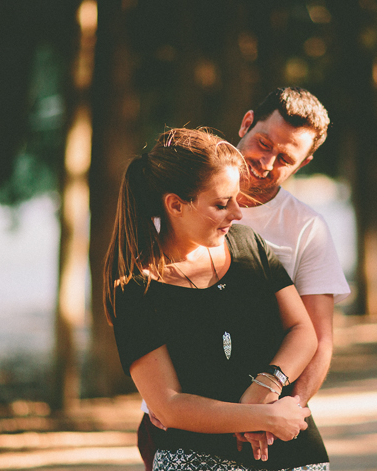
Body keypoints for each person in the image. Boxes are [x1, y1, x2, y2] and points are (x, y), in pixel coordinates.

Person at [137, 88, 350, 467]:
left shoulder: (307, 229)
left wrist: (278, 413)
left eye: (285, 158)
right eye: (263, 143)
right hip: (181, 427)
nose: (266, 163)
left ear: (305, 162)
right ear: (246, 123)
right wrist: (161, 402)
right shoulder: (173, 208)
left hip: (272, 421)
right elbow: (141, 319)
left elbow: (318, 338)